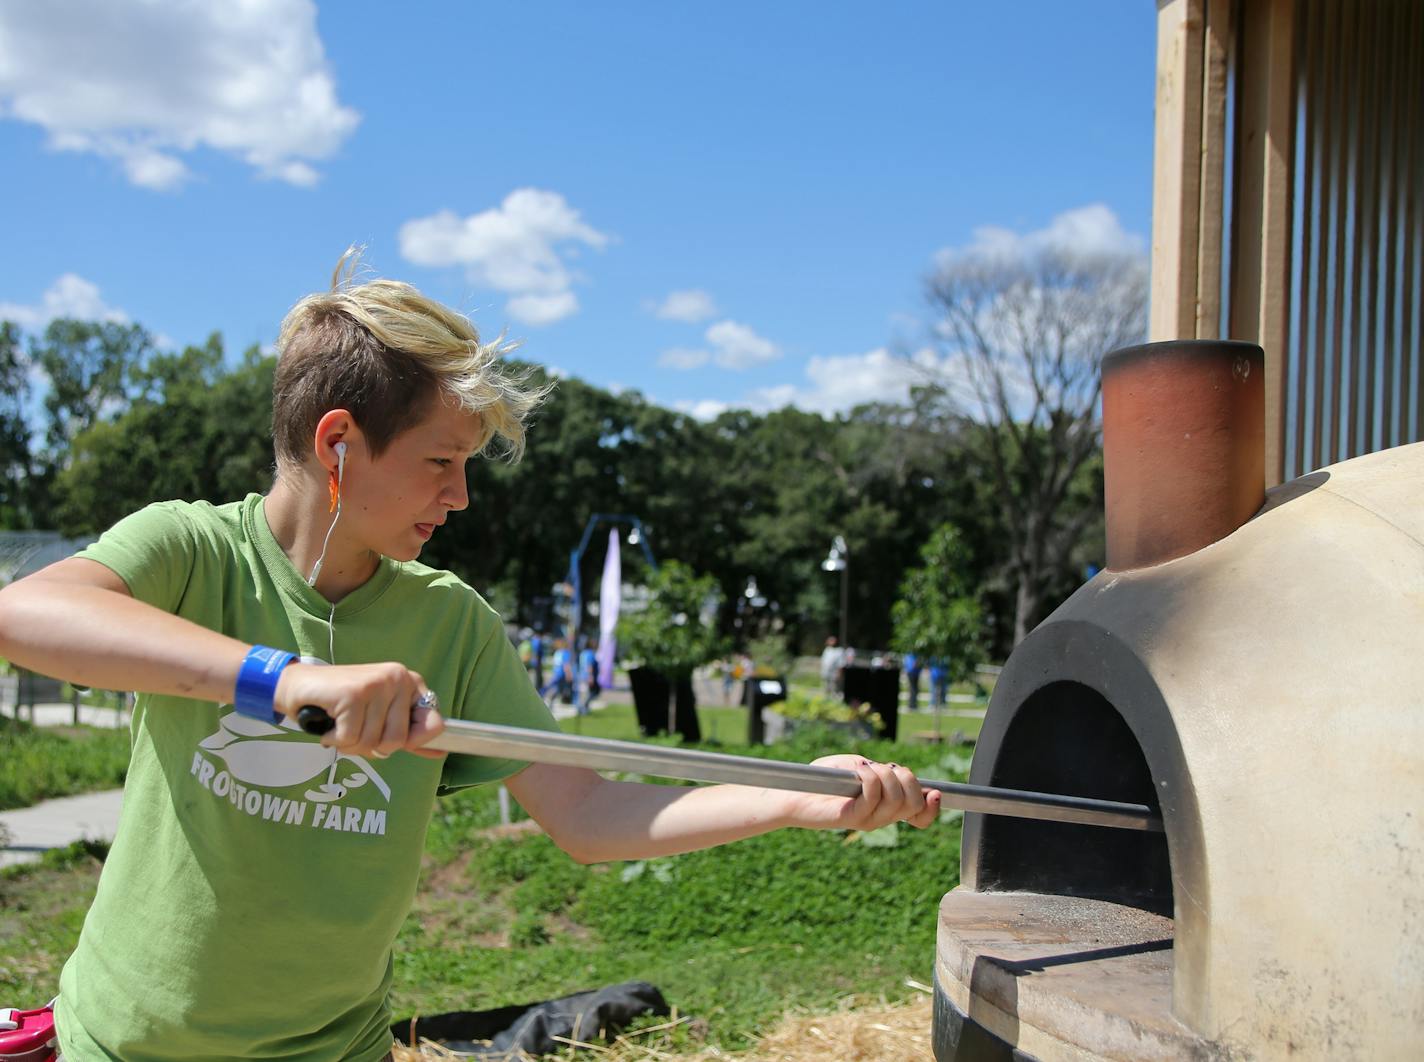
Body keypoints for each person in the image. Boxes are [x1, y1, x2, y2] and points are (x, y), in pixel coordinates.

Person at [0, 253, 939, 1062]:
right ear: (338, 444)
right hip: (125, 1043)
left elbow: (588, 811)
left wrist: (795, 793)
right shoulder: (193, 551)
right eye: (440, 462)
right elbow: (27, 614)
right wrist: (283, 679)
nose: (459, 497)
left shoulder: (449, 622)